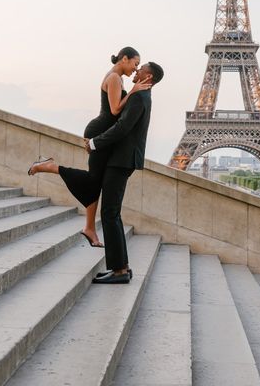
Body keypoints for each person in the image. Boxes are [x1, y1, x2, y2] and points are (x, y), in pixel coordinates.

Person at [28, 46, 151, 248]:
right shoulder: (114, 78)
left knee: (95, 182)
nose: (135, 70)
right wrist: (134, 92)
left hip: (104, 135)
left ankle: (89, 228)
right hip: (99, 133)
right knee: (93, 180)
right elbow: (114, 110)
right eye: (135, 64)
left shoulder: (117, 78)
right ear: (125, 59)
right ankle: (50, 167)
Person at [89, 61, 164, 284]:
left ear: (148, 77)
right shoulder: (142, 95)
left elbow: (122, 127)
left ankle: (120, 270)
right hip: (123, 159)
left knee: (110, 213)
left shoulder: (139, 97)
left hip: (121, 160)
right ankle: (121, 266)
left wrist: (95, 143)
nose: (137, 70)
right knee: (112, 213)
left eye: (141, 69)